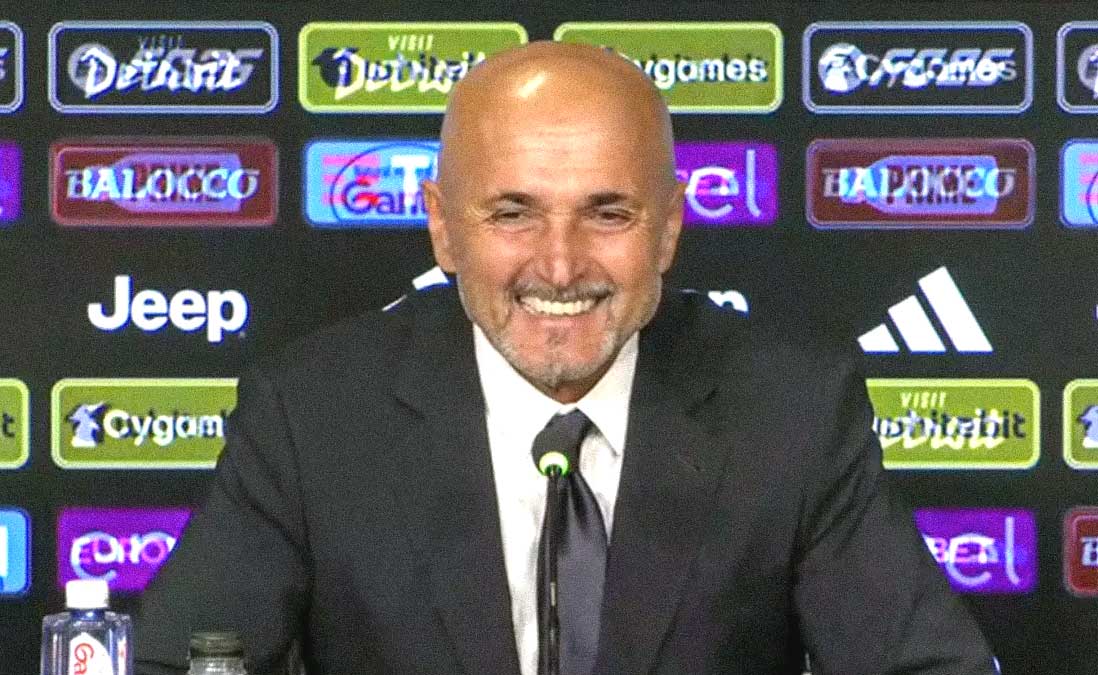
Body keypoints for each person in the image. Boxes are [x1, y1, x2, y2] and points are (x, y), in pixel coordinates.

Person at [133, 42, 998, 675]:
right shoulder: (313, 414)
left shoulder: (791, 409)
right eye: (513, 214)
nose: (558, 265)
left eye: (607, 214)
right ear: (442, 228)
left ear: (669, 228)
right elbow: (184, 661)